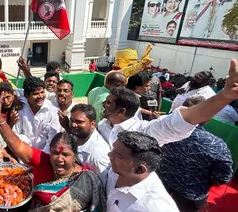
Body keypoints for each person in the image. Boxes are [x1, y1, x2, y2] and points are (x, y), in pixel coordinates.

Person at [0, 98, 106, 212]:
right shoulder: (44, 162)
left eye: (66, 155)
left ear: (75, 155)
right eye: (55, 153)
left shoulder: (88, 179)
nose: (59, 159)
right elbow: (18, 146)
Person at [99, 60, 238, 147]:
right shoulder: (102, 124)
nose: (103, 104)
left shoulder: (140, 132)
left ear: (121, 111)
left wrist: (223, 97)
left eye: (108, 102)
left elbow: (179, 122)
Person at [157, 97, 233, 212]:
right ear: (208, 118)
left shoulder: (160, 127)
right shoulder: (216, 145)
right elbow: (222, 177)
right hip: (191, 194)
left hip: (158, 183)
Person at [103, 131, 189, 212]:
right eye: (113, 149)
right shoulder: (117, 170)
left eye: (118, 155)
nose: (109, 155)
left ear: (139, 170)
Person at [12, 76, 61, 152]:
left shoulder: (52, 110)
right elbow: (15, 133)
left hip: (46, 155)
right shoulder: (20, 108)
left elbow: (53, 138)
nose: (40, 96)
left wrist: (42, 156)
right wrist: (26, 144)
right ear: (26, 96)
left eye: (42, 92)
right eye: (36, 94)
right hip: (24, 153)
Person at [59, 104, 110, 174]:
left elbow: (102, 183)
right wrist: (66, 127)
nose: (73, 125)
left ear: (92, 124)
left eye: (79, 122)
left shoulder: (96, 155)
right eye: (72, 121)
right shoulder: (78, 135)